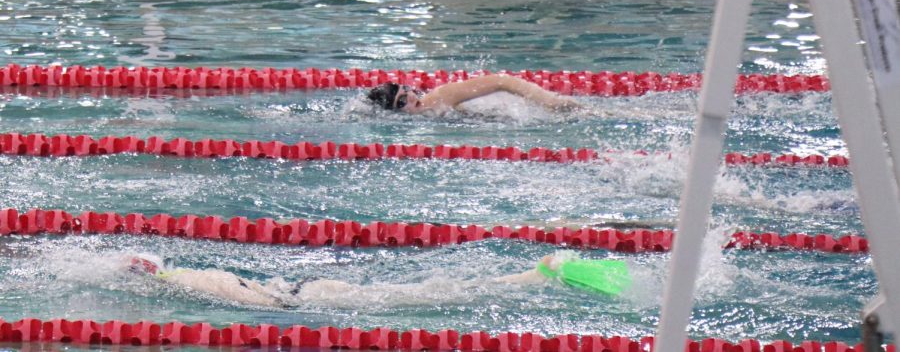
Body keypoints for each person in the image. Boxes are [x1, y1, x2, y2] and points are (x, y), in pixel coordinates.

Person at [126, 251, 630, 309]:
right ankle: (530, 275)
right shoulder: (194, 278)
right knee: (441, 290)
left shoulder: (189, 284)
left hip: (304, 302)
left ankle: (535, 274)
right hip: (304, 293)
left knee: (440, 294)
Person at [366, 74, 580, 115]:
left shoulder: (441, 97)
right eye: (402, 102)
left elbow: (501, 81)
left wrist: (548, 101)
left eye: (407, 91)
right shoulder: (426, 115)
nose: (412, 97)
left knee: (561, 107)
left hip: (525, 108)